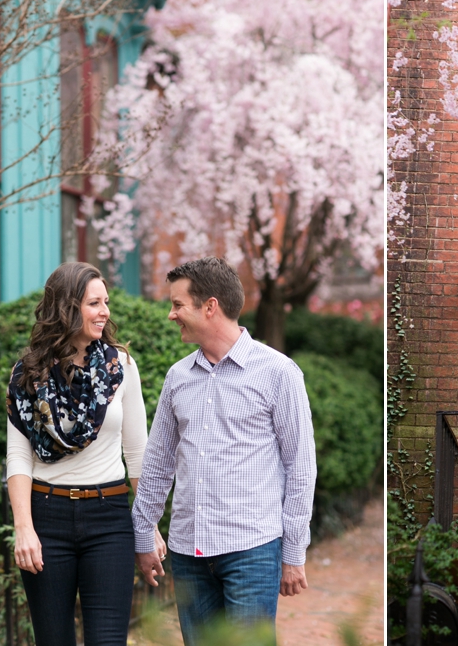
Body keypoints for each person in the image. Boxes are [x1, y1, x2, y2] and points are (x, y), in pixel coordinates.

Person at [132, 257, 317, 644]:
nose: (171, 315)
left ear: (210, 306)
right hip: (186, 554)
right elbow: (157, 463)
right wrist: (143, 532)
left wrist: (294, 553)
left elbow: (300, 468)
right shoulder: (177, 377)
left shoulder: (278, 373)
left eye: (178, 305)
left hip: (252, 550)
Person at [5, 262, 166, 646]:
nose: (105, 312)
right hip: (47, 517)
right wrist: (24, 528)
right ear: (66, 308)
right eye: (94, 303)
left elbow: (137, 454)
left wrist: (147, 527)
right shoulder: (27, 374)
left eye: (105, 302)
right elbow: (18, 458)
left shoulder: (121, 367)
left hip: (108, 518)